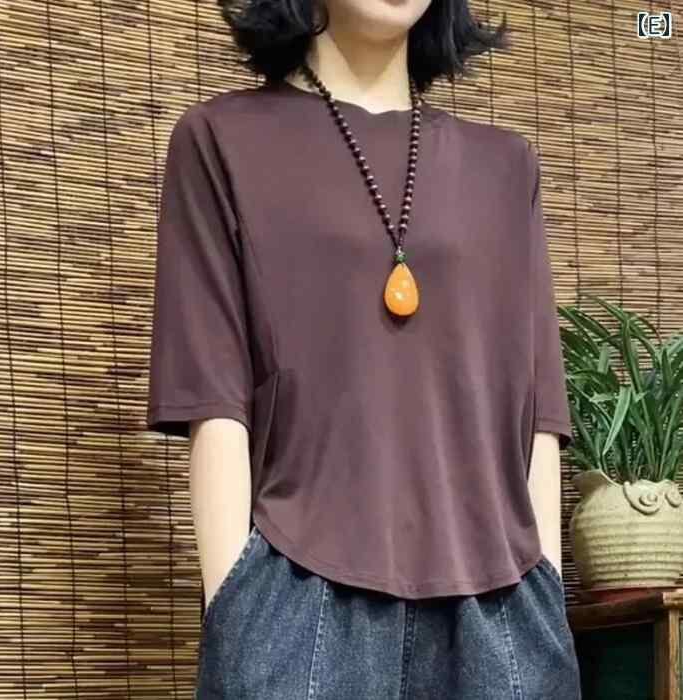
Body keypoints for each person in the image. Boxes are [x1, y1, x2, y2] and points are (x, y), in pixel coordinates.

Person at [146, 0, 582, 697]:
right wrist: (238, 607)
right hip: (296, 597)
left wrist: (543, 589)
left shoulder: (505, 166)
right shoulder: (221, 140)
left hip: (500, 604)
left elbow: (537, 410)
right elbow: (213, 400)